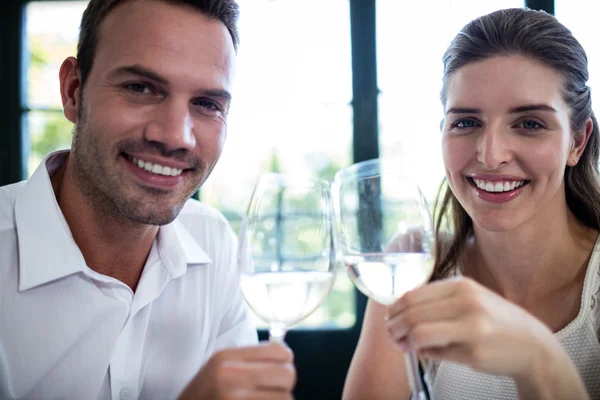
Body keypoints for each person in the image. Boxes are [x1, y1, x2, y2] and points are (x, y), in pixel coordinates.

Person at [0, 0, 296, 399]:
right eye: (140, 88)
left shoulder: (214, 241)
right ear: (73, 92)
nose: (176, 136)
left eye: (207, 104)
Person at [343, 8, 600, 400]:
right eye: (466, 122)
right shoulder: (414, 266)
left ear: (578, 141)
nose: (491, 154)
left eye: (529, 123)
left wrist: (537, 358)